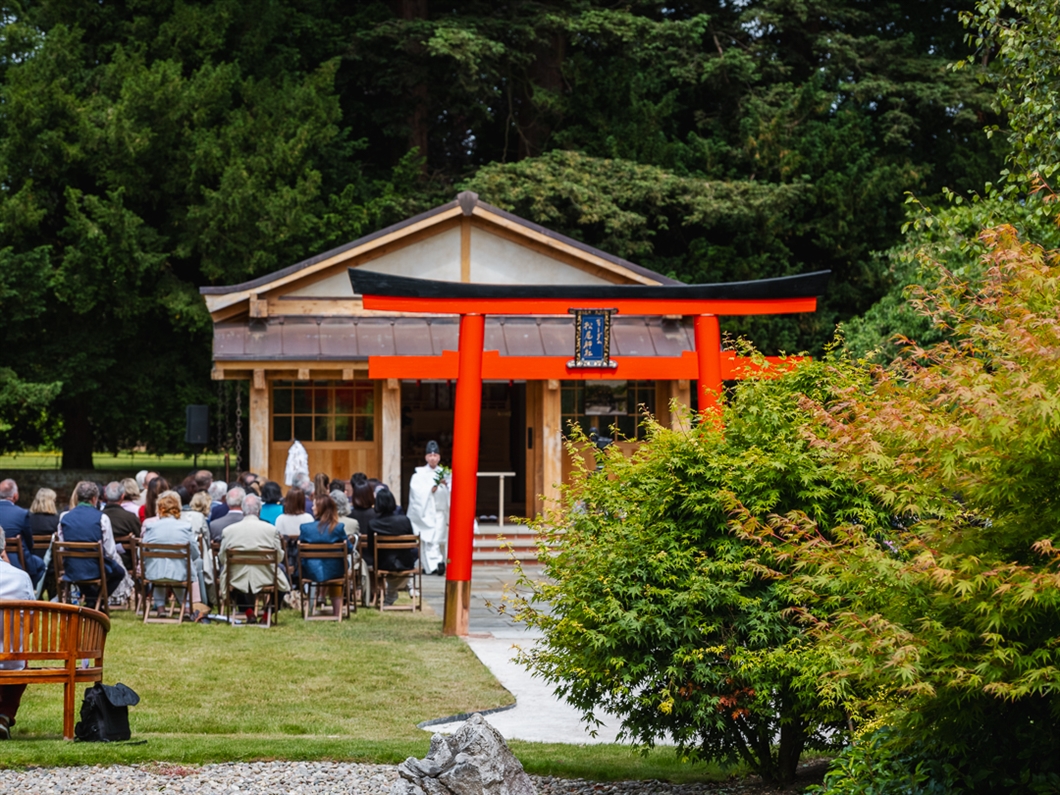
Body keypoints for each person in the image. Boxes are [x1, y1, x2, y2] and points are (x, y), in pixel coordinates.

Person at [218, 494, 289, 621]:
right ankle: (267, 614)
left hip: (237, 575)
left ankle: (249, 612)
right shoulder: (271, 530)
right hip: (266, 575)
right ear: (259, 510)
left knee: (228, 577)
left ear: (242, 509)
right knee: (282, 578)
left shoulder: (228, 531)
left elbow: (223, 558)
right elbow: (278, 557)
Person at [141, 491, 209, 620]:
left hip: (154, 573)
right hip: (179, 573)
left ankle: (161, 608)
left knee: (161, 567)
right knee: (179, 567)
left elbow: (143, 552)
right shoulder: (185, 527)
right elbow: (195, 552)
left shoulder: (151, 527)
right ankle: (188, 608)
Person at [56, 481, 127, 603]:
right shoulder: (102, 518)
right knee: (119, 572)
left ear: (77, 497)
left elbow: (62, 547)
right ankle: (96, 602)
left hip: (71, 567)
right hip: (95, 567)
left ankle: (93, 602)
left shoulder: (64, 517)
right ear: (94, 499)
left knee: (80, 572)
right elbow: (110, 552)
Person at [0, 547, 36, 740]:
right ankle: (4, 714)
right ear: (2, 548)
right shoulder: (21, 577)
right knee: (19, 660)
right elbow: (30, 625)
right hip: (12, 660)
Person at [299, 494, 353, 617]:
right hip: (335, 570)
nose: (311, 508)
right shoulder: (338, 528)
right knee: (335, 567)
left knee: (331, 566)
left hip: (310, 571)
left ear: (320, 508)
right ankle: (336, 612)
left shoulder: (306, 528)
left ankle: (313, 605)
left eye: (314, 505)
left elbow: (299, 550)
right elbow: (349, 549)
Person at [368, 488, 418, 606]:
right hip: (405, 562)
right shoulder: (404, 520)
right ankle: (403, 587)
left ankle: (392, 592)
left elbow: (371, 549)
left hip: (383, 563)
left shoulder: (373, 523)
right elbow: (412, 542)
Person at [406, 440, 449, 575]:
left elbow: (454, 490)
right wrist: (430, 489)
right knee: (429, 540)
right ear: (426, 457)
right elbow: (416, 493)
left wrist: (446, 485)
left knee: (438, 539)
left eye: (435, 455)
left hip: (440, 511)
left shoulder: (445, 473)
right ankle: (434, 565)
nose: (432, 458)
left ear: (439, 457)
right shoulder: (418, 475)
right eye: (430, 456)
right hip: (426, 512)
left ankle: (438, 564)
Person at [0, 478, 45, 586]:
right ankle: (28, 589)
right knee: (40, 565)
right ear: (15, 496)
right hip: (17, 560)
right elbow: (29, 542)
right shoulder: (21, 513)